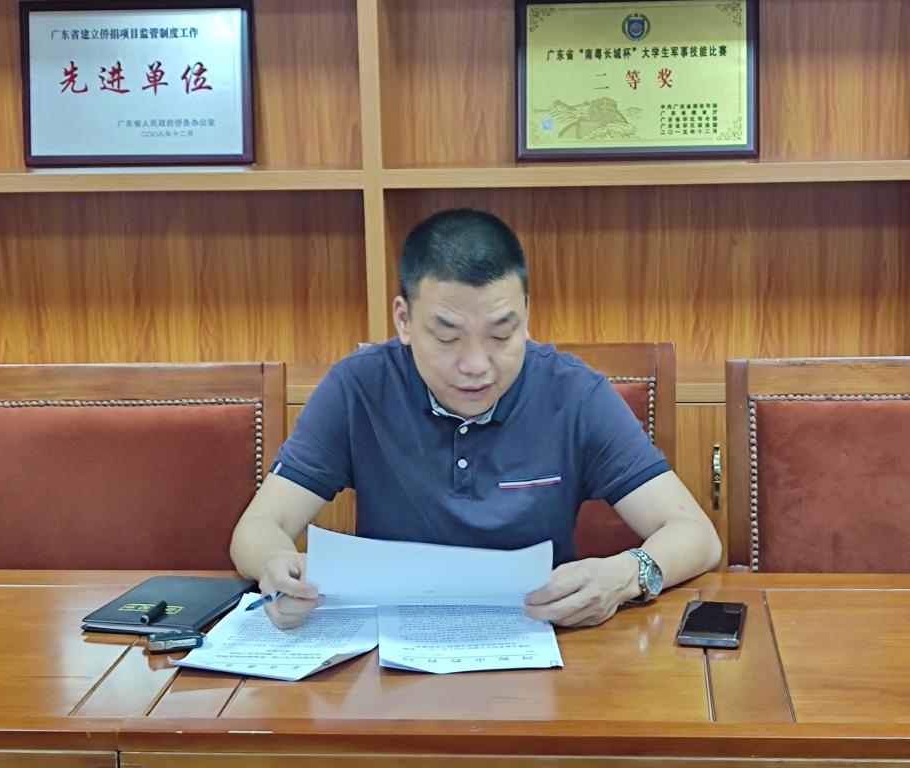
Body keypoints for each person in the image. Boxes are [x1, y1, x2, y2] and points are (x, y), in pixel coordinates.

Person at [230, 208, 720, 629]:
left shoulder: (574, 394)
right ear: (404, 320)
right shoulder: (359, 388)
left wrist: (626, 574)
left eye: (502, 335)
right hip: (388, 658)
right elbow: (258, 526)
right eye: (447, 337)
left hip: (543, 648)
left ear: (526, 313)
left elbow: (695, 534)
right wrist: (277, 567)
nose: (476, 365)